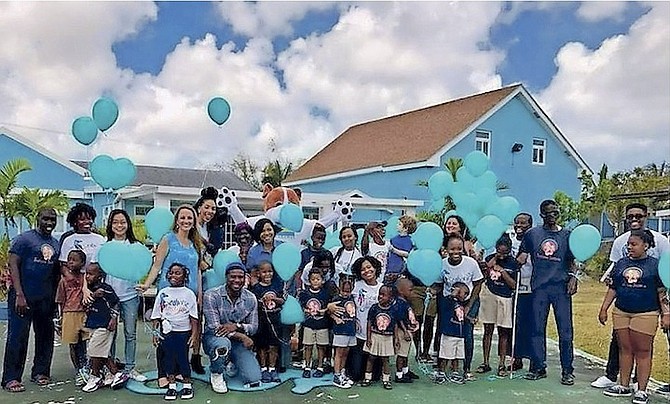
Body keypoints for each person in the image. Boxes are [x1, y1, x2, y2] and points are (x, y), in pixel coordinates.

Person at [591, 202, 670, 389]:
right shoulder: (620, 243)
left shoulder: (661, 243)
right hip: (624, 306)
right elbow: (615, 280)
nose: (634, 219)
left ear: (646, 216)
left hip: (650, 302)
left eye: (639, 216)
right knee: (621, 343)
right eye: (631, 216)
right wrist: (605, 307)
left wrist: (665, 311)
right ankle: (614, 377)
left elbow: (664, 276)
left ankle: (640, 384)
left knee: (645, 346)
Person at [140, 205, 205, 382]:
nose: (186, 221)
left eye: (189, 218)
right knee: (166, 334)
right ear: (176, 220)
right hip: (169, 296)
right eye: (182, 218)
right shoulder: (168, 239)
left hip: (189, 296)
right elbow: (157, 265)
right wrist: (147, 284)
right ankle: (163, 373)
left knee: (183, 334)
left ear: (194, 221)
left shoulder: (195, 244)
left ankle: (177, 370)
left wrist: (199, 294)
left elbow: (198, 270)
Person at [519, 199, 578, 385]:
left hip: (560, 288)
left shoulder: (567, 235)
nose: (552, 216)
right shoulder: (532, 234)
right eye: (548, 212)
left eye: (555, 212)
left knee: (566, 331)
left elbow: (573, 262)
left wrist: (574, 278)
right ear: (541, 214)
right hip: (539, 288)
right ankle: (538, 366)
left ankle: (567, 370)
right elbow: (521, 256)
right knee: (537, 329)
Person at [2, 208, 60, 393]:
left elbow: (56, 274)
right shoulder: (24, 239)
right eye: (45, 219)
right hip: (23, 297)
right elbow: (13, 265)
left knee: (45, 336)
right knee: (18, 337)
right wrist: (19, 294)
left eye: (52, 219)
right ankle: (11, 378)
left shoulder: (55, 244)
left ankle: (41, 372)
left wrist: (56, 300)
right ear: (38, 219)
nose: (49, 223)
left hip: (46, 298)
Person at [202, 262, 262, 394]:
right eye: (233, 277)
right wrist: (241, 335)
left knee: (254, 378)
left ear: (245, 278)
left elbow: (253, 327)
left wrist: (236, 326)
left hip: (237, 343)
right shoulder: (211, 295)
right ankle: (216, 373)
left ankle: (231, 361)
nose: (237, 280)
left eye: (240, 277)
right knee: (222, 345)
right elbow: (215, 328)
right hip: (214, 339)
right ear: (226, 277)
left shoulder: (250, 298)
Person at [104, 209, 146, 381]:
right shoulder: (105, 245)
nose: (119, 225)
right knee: (110, 335)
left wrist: (142, 283)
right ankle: (110, 369)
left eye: (122, 222)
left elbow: (142, 267)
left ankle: (130, 368)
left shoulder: (135, 246)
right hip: (110, 298)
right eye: (115, 222)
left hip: (130, 296)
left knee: (130, 333)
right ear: (110, 225)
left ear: (128, 224)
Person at [150, 263, 199, 401]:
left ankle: (187, 385)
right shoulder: (163, 293)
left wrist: (194, 334)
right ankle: (172, 386)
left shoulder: (188, 293)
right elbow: (156, 315)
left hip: (183, 331)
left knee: (182, 358)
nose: (173, 275)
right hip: (167, 332)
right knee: (168, 358)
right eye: (171, 272)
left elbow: (194, 317)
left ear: (184, 276)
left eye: (177, 273)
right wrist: (155, 333)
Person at [439, 233, 484, 381]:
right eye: (452, 249)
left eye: (459, 248)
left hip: (469, 302)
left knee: (467, 335)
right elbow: (439, 284)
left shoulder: (471, 263)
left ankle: (466, 369)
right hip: (449, 303)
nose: (456, 252)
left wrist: (469, 306)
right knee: (448, 335)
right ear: (446, 249)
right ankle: (443, 369)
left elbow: (478, 284)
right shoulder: (442, 264)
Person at [81, 263, 127, 392]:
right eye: (87, 274)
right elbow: (84, 304)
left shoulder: (105, 289)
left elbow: (116, 303)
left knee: (94, 350)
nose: (88, 277)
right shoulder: (87, 289)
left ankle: (95, 376)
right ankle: (115, 373)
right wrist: (93, 296)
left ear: (99, 276)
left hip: (104, 324)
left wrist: (113, 318)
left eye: (91, 274)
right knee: (100, 351)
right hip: (92, 323)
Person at [477, 234, 518, 377]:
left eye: (504, 252)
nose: (502, 255)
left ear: (509, 250)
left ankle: (501, 364)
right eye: (499, 252)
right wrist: (494, 260)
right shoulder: (490, 259)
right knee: (487, 329)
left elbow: (514, 285)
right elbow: (485, 273)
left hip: (505, 298)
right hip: (489, 295)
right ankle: (485, 362)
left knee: (503, 332)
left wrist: (503, 272)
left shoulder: (513, 263)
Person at [346, 256, 384, 382]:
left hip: (377, 334)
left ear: (375, 268)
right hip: (358, 334)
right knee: (356, 375)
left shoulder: (382, 288)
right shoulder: (356, 286)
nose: (366, 271)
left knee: (375, 377)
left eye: (369, 267)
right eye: (362, 269)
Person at [58, 203, 105, 303]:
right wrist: (71, 278)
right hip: (75, 285)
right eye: (82, 219)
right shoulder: (68, 240)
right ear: (74, 222)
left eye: (89, 218)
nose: (87, 222)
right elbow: (63, 265)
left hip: (95, 283)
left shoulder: (100, 239)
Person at [55, 250, 90, 386]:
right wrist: (60, 318)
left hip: (84, 313)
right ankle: (78, 371)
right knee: (73, 344)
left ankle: (85, 367)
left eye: (74, 260)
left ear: (82, 263)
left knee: (84, 342)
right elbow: (60, 300)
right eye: (69, 259)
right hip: (69, 313)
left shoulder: (85, 278)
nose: (70, 262)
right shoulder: (63, 281)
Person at [249, 261, 284, 383]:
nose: (267, 274)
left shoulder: (277, 287)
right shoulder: (256, 288)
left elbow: (282, 300)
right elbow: (253, 303)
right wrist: (261, 300)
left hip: (275, 322)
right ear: (258, 274)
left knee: (273, 346)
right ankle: (263, 368)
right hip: (261, 322)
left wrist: (274, 299)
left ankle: (272, 369)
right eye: (264, 272)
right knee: (262, 346)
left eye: (270, 271)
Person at [359, 284, 398, 390]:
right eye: (379, 294)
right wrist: (368, 337)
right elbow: (369, 322)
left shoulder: (393, 310)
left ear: (390, 297)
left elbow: (395, 325)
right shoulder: (374, 308)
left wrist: (395, 339)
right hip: (375, 335)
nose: (380, 296)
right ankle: (367, 378)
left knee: (385, 359)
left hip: (387, 337)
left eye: (383, 295)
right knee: (371, 357)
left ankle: (386, 379)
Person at [510, 212, 534, 373]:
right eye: (517, 223)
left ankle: (534, 360)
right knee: (515, 325)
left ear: (530, 225)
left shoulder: (535, 241)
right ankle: (516, 358)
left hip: (532, 288)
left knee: (532, 325)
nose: (519, 226)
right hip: (514, 287)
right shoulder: (510, 241)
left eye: (523, 223)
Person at [434, 282, 469, 385]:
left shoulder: (462, 303)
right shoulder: (448, 301)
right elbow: (444, 304)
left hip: (459, 334)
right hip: (449, 333)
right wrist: (453, 294)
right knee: (445, 355)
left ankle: (455, 372)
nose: (466, 295)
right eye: (464, 293)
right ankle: (441, 372)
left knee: (457, 355)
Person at [299, 269, 331, 378]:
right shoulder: (305, 293)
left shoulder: (325, 294)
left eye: (318, 279)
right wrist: (305, 310)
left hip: (322, 325)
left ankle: (320, 367)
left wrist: (325, 310)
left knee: (321, 347)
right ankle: (307, 367)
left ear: (322, 281)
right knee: (308, 346)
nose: (315, 281)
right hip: (308, 324)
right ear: (309, 280)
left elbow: (329, 308)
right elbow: (301, 307)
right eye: (313, 279)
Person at [330, 275, 357, 388]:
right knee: (339, 353)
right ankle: (336, 376)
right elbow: (330, 312)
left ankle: (342, 372)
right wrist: (336, 319)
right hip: (340, 330)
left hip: (351, 330)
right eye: (344, 290)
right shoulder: (336, 299)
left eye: (348, 291)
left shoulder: (352, 299)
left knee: (346, 353)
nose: (346, 293)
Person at [392, 278, 419, 383]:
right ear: (401, 290)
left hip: (407, 330)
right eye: (410, 290)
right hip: (402, 332)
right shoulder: (399, 303)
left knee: (405, 353)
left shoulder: (405, 302)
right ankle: (399, 375)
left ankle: (405, 371)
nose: (412, 292)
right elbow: (399, 319)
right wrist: (405, 331)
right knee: (401, 354)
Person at [385, 215, 417, 284]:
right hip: (389, 267)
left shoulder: (408, 240)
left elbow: (407, 254)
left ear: (406, 228)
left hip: (399, 268)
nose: (397, 225)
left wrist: (394, 250)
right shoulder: (394, 238)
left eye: (399, 224)